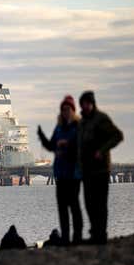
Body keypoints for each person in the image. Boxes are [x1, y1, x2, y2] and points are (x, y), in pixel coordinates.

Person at [78, 91, 123, 244]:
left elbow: (117, 136)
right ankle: (94, 231)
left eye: (87, 103)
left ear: (92, 103)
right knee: (89, 203)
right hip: (87, 170)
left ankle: (101, 234)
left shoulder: (101, 119)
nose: (85, 106)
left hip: (101, 169)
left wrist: (102, 151)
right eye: (83, 103)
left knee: (100, 203)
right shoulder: (82, 122)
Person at [37, 95, 83, 245]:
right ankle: (65, 238)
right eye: (63, 109)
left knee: (74, 206)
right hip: (60, 174)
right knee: (62, 208)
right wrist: (42, 137)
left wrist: (66, 145)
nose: (65, 111)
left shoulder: (78, 127)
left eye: (68, 109)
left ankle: (77, 237)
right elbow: (51, 146)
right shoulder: (58, 128)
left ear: (73, 110)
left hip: (74, 173)